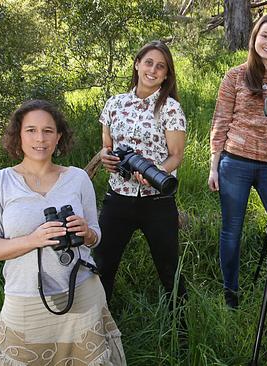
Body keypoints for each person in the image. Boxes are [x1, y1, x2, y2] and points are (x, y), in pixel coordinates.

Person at [0, 99, 126, 365]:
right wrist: (34, 240)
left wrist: (87, 232)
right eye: (31, 130)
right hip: (26, 299)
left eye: (48, 131)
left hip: (83, 292)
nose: (40, 139)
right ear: (18, 136)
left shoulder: (77, 178)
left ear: (59, 137)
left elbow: (96, 235)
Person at [208, 14, 267, 327]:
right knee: (231, 231)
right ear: (254, 38)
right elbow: (221, 120)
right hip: (234, 162)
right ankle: (230, 292)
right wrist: (213, 165)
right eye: (265, 36)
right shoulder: (235, 75)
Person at [94, 40, 187, 307]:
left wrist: (155, 173)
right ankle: (98, 325)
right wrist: (106, 158)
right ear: (137, 64)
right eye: (148, 63)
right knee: (102, 265)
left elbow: (176, 155)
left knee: (169, 269)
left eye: (161, 66)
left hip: (157, 200)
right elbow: (106, 146)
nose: (153, 70)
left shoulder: (170, 108)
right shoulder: (115, 103)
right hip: (118, 197)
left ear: (166, 74)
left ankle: (180, 332)